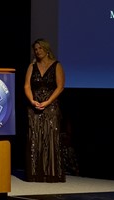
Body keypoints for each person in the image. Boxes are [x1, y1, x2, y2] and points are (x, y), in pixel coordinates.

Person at [24, 38, 66, 182]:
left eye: (40, 48)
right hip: (34, 105)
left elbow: (60, 87)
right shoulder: (32, 66)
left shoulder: (56, 65)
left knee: (50, 137)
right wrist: (32, 101)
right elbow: (27, 86)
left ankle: (52, 173)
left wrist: (48, 102)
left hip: (51, 106)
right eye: (35, 49)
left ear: (46, 49)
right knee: (34, 138)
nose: (37, 51)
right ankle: (35, 173)